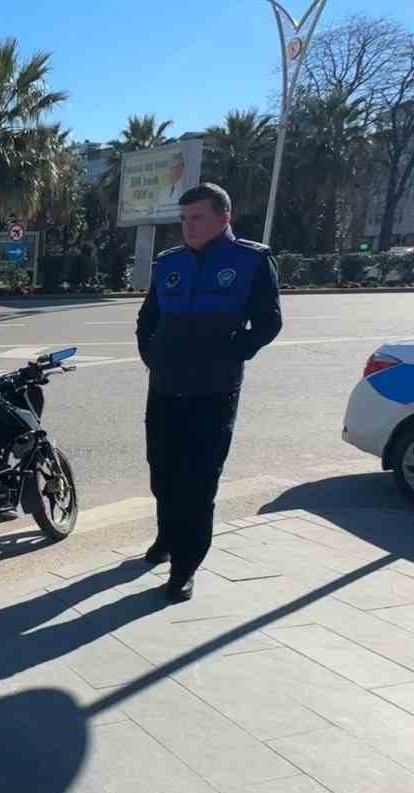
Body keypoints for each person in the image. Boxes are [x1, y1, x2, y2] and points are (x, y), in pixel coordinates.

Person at [135, 183, 282, 602]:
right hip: (165, 389)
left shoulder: (251, 261)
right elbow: (147, 319)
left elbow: (268, 322)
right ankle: (167, 537)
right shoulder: (170, 263)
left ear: (224, 217)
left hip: (213, 393)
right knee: (163, 472)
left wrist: (227, 354)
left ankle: (185, 566)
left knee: (198, 483)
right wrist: (153, 357)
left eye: (197, 217)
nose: (189, 226)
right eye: (184, 219)